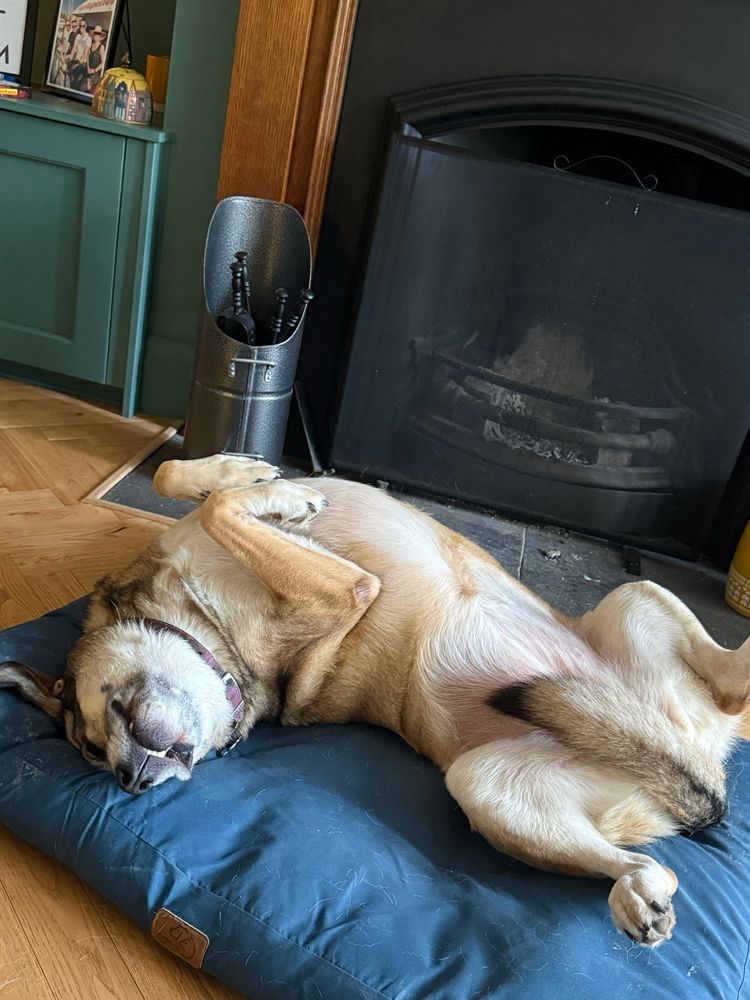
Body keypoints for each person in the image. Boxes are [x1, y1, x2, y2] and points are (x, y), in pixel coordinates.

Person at [67, 18, 91, 92]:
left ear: (86, 26)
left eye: (83, 26)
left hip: (82, 63)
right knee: (69, 74)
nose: (81, 27)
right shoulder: (78, 36)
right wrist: (70, 58)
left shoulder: (88, 38)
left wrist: (78, 63)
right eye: (80, 26)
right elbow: (74, 48)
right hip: (76, 60)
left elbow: (85, 53)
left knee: (75, 77)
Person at [84, 27, 107, 93]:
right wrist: (88, 68)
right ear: (93, 35)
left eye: (98, 34)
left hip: (96, 72)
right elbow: (88, 58)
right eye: (95, 33)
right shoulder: (91, 45)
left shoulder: (101, 46)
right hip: (89, 70)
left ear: (100, 37)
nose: (96, 35)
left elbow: (103, 63)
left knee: (88, 83)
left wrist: (94, 70)